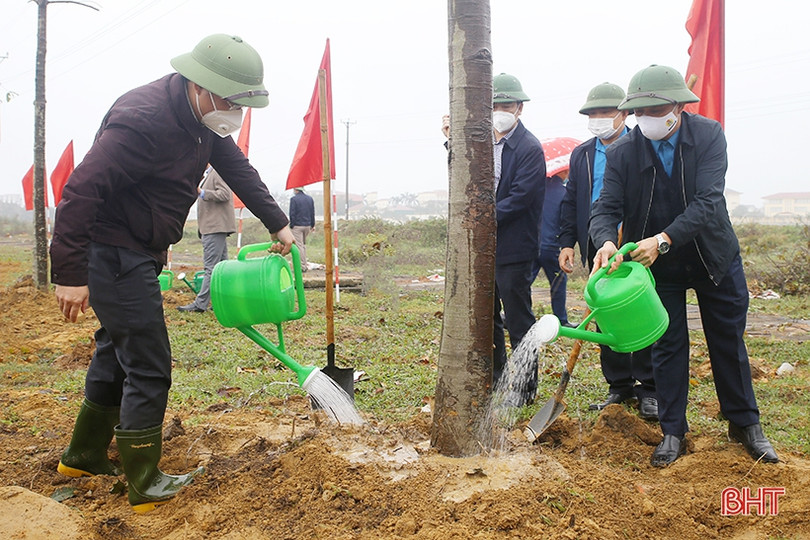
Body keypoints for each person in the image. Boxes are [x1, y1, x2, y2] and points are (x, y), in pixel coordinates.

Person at [50, 34, 295, 512]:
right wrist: (70, 272)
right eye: (229, 100)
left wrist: (279, 223)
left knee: (114, 351)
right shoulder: (142, 121)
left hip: (142, 248)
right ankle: (145, 481)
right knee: (149, 363)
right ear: (200, 85)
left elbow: (239, 169)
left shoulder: (204, 122)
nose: (233, 112)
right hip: (113, 250)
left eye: (240, 105)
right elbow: (80, 190)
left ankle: (82, 455)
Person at [589, 65, 778, 467]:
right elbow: (605, 207)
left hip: (712, 257)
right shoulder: (623, 151)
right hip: (656, 267)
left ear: (678, 106)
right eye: (640, 113)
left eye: (656, 112)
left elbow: (708, 203)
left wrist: (663, 240)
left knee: (727, 341)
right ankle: (673, 430)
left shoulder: (708, 135)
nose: (648, 121)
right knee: (667, 344)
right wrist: (605, 240)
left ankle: (745, 424)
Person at [559, 82, 658, 421]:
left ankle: (649, 387)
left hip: (634, 243)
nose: (599, 119)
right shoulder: (583, 153)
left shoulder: (641, 146)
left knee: (634, 309)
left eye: (606, 112)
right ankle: (619, 384)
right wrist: (566, 242)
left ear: (624, 113)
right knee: (603, 314)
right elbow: (571, 200)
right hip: (597, 244)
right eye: (593, 113)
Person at [490, 73, 546, 405]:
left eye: (506, 105)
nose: (500, 111)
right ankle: (496, 380)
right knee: (487, 318)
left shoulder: (528, 147)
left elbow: (522, 196)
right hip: (485, 248)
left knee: (518, 319)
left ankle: (525, 389)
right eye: (495, 105)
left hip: (514, 248)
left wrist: (483, 217)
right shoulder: (483, 143)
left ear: (519, 108)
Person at [178, 167, 236, 313]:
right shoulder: (209, 174)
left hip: (214, 227)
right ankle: (221, 302)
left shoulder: (217, 172)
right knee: (221, 268)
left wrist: (202, 193)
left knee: (211, 268)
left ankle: (200, 304)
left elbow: (225, 194)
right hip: (214, 227)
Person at [534, 169, 570, 327]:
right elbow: (565, 221)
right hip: (552, 246)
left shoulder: (538, 190)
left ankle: (511, 315)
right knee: (558, 283)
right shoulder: (564, 193)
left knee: (523, 283)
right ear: (564, 171)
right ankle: (561, 320)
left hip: (532, 245)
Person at [288, 186, 316, 272]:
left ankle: (302, 266)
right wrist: (312, 224)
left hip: (297, 226)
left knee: (299, 245)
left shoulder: (294, 199)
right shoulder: (309, 199)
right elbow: (312, 212)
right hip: (307, 225)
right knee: (303, 245)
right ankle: (303, 264)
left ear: (295, 189)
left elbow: (292, 213)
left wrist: (291, 225)